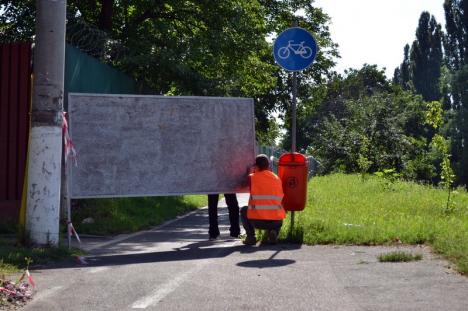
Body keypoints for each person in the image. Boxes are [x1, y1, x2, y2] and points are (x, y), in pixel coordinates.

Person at [240, 154, 285, 245]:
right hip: (276, 221)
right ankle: (274, 232)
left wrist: (250, 171)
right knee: (278, 212)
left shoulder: (252, 177)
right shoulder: (277, 178)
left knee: (244, 210)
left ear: (256, 166)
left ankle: (251, 237)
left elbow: (242, 184)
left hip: (258, 222)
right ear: (268, 166)